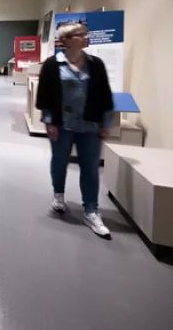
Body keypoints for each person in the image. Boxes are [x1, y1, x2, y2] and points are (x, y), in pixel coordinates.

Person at [36, 23, 114, 237]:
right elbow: (44, 95)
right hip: (62, 123)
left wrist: (106, 122)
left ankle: (91, 210)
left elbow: (105, 95)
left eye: (85, 34)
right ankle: (58, 195)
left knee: (90, 167)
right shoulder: (53, 65)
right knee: (59, 161)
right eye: (79, 35)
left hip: (89, 124)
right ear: (67, 40)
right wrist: (49, 121)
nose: (85, 37)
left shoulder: (95, 65)